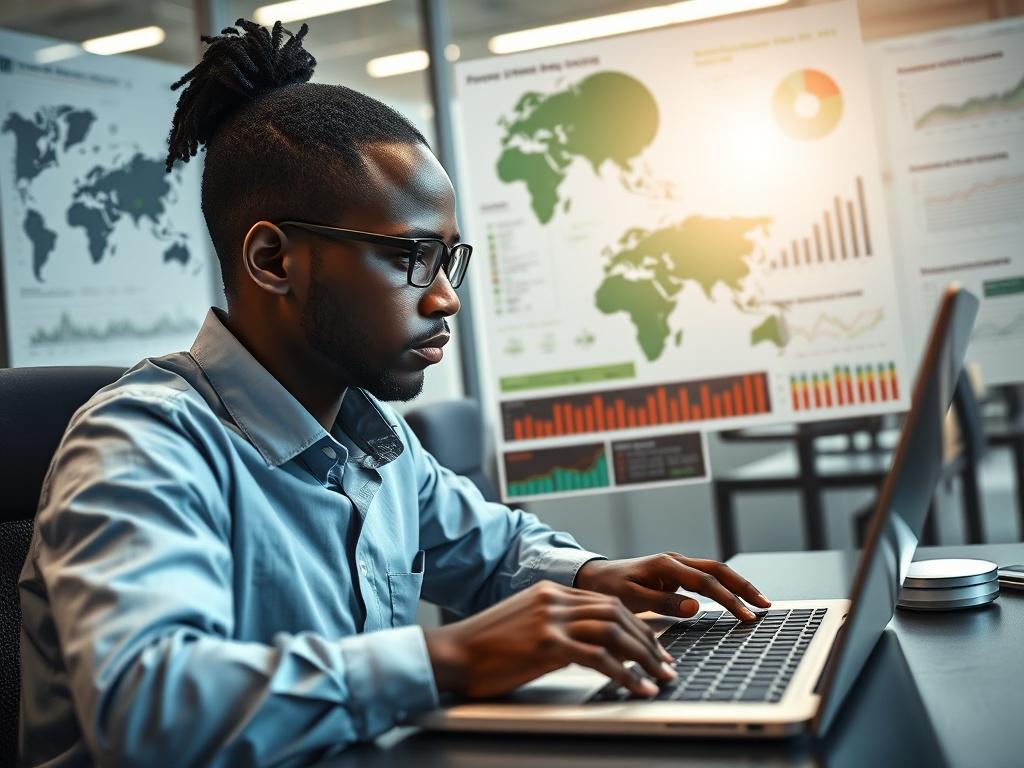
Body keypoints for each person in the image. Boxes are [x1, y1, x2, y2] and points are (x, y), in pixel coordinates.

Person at [18, 19, 771, 767]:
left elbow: (490, 550)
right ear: (273, 258)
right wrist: (446, 660)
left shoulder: (369, 438)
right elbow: (146, 710)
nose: (445, 299)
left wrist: (593, 575)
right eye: (412, 257)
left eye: (450, 261)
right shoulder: (139, 444)